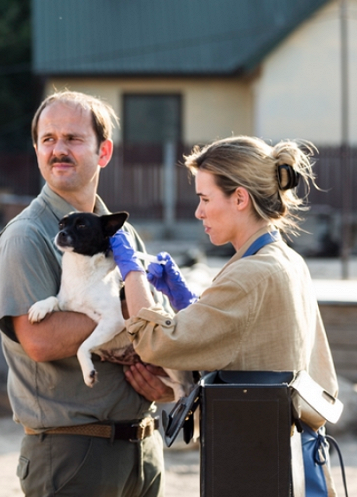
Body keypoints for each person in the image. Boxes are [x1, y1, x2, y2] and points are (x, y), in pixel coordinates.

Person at [111, 135, 339, 495]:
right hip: (294, 459)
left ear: (240, 198)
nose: (199, 212)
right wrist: (189, 305)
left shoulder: (250, 274)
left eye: (204, 199)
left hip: (257, 464)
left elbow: (156, 343)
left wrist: (131, 272)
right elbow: (244, 339)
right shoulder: (286, 260)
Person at [0, 90, 169, 497]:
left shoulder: (122, 235)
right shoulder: (27, 237)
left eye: (73, 138)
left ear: (104, 152)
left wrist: (164, 380)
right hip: (74, 453)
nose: (58, 150)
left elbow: (157, 329)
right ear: (36, 150)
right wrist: (123, 309)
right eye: (48, 139)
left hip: (143, 449)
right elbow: (41, 339)